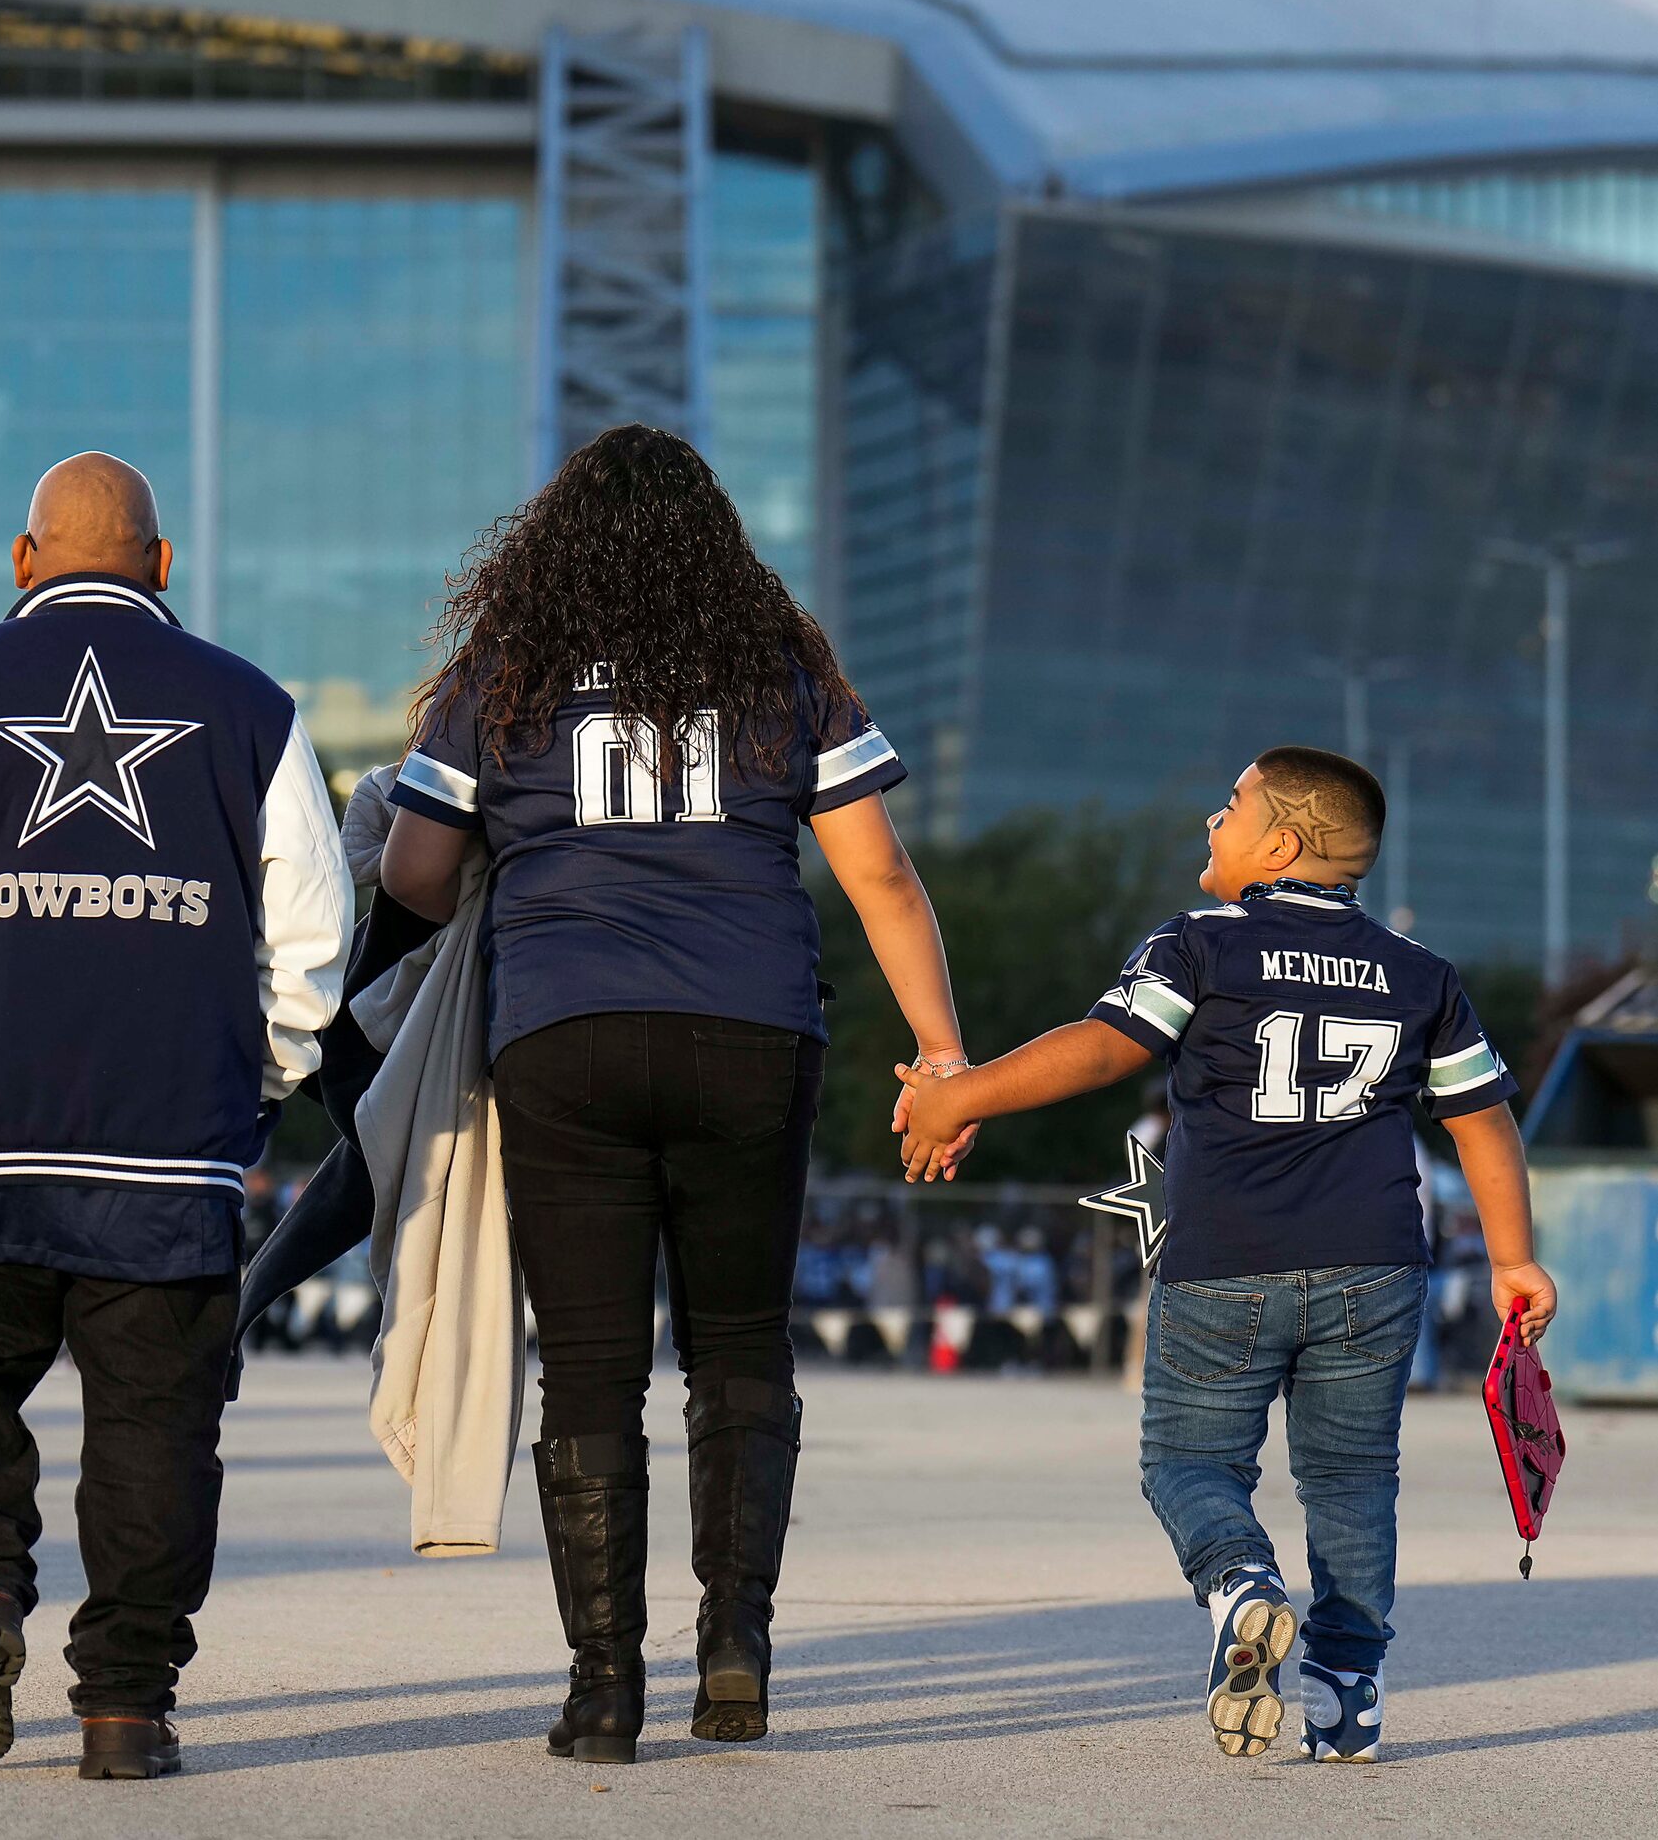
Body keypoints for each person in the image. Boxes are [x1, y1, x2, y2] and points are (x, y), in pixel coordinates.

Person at [379, 424, 973, 1759]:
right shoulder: (777, 664)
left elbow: (417, 872)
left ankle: (602, 1689)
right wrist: (942, 1056)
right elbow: (876, 873)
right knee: (740, 1348)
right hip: (751, 1029)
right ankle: (736, 1647)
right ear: (715, 537)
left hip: (564, 1033)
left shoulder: (505, 668)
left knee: (590, 1368)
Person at [0, 451, 348, 1781]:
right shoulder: (253, 711)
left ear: (22, 557)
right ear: (163, 564)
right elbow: (313, 935)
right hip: (168, 1147)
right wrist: (255, 1076)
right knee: (157, 1424)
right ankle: (123, 1704)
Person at [896, 746, 1555, 1764]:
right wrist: (1514, 1259)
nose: (1211, 819)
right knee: (1351, 1482)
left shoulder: (1201, 944)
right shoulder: (1424, 975)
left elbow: (1107, 1046)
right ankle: (1346, 1691)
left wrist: (958, 1092)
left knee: (1188, 1462)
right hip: (1375, 1267)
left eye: (1229, 806)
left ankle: (1241, 1579)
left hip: (1226, 1264)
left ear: (1279, 843)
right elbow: (1483, 1121)